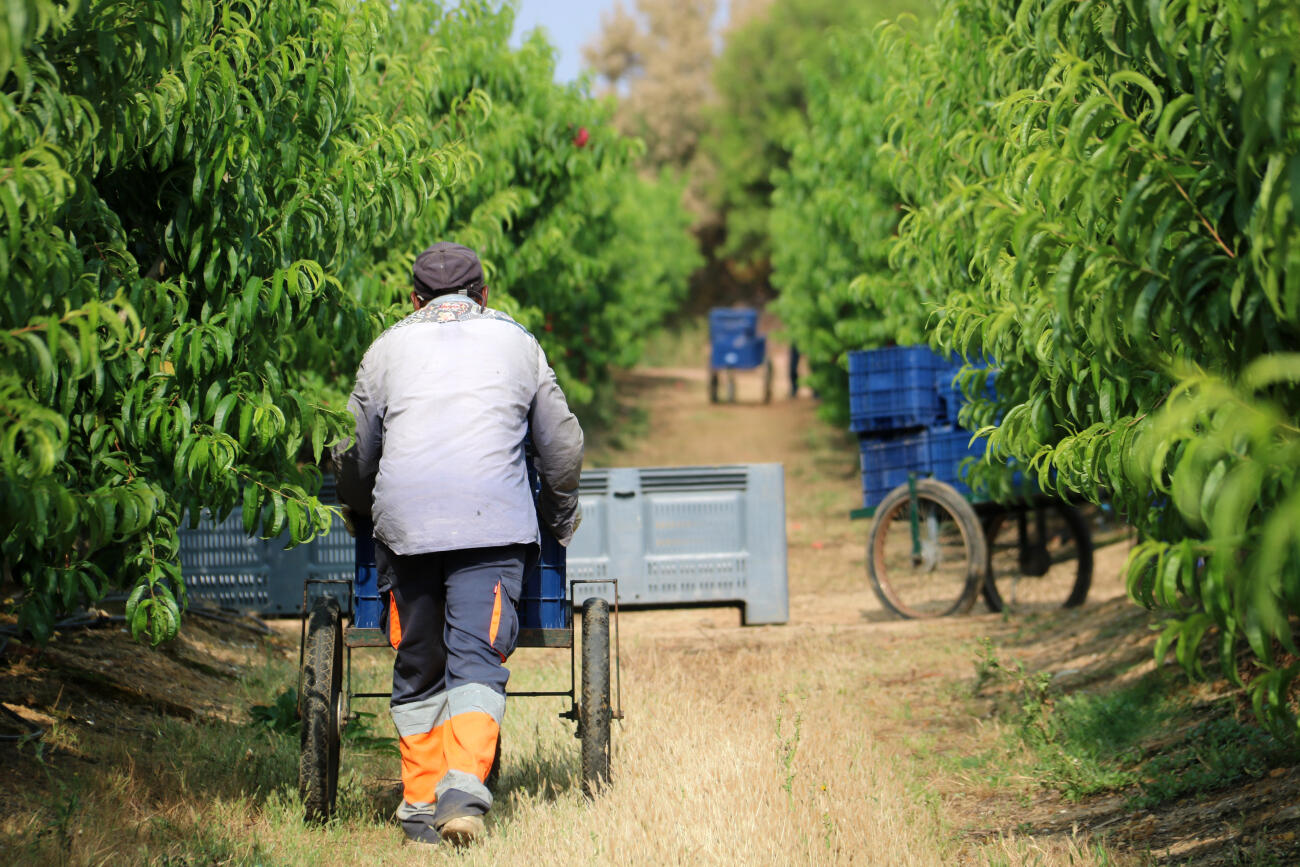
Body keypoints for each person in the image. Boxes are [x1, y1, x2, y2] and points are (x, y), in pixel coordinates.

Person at [333, 241, 584, 847]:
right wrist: (559, 514)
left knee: (418, 664)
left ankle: (419, 808)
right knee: (475, 661)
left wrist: (362, 512)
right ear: (484, 294)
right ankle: (463, 795)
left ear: (414, 299)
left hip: (407, 530)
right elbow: (562, 447)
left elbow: (354, 453)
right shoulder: (518, 342)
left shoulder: (386, 347)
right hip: (491, 528)